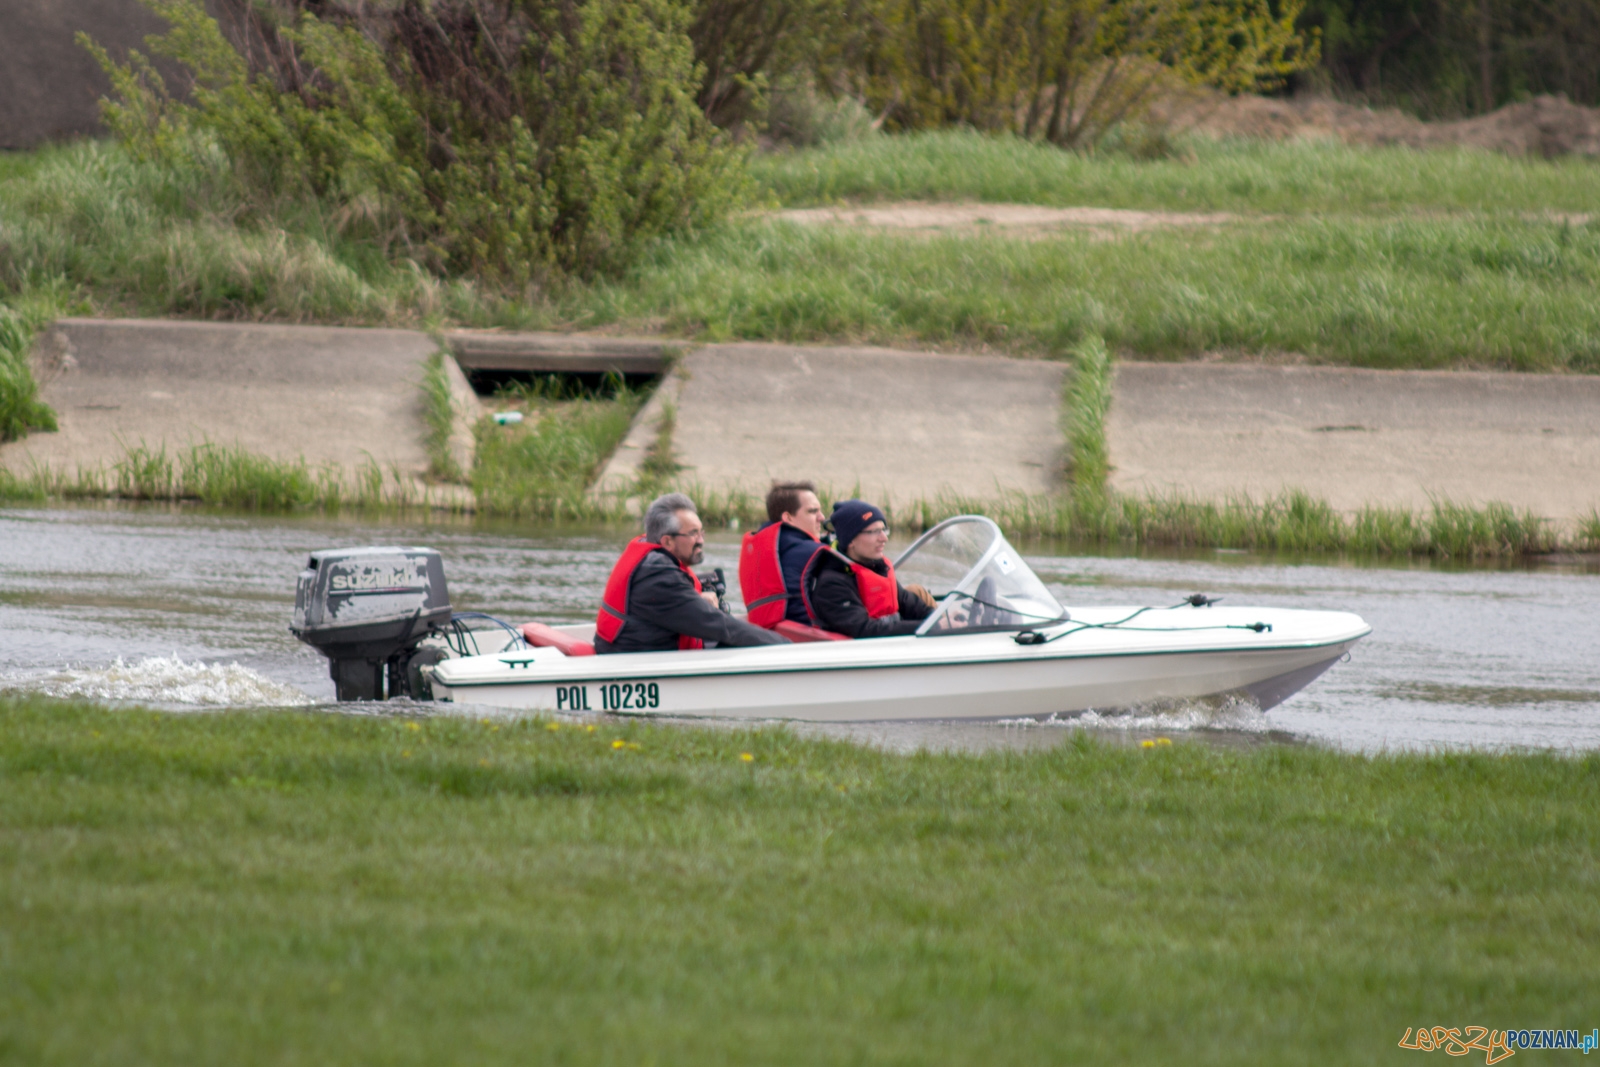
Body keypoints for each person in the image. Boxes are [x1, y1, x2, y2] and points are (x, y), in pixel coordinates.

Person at [595, 493, 790, 654]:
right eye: (693, 534)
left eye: (701, 532)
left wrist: (695, 597)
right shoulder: (658, 576)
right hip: (637, 666)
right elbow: (717, 625)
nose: (701, 541)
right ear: (667, 541)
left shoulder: (651, 557)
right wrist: (786, 647)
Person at [802, 500, 936, 638]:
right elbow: (865, 630)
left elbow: (916, 608)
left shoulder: (877, 568)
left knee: (919, 593)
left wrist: (940, 620)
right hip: (865, 654)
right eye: (874, 532)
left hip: (890, 647)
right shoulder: (831, 585)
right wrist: (931, 626)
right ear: (850, 540)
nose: (884, 538)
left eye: (884, 530)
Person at [738, 480, 827, 628]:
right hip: (809, 637)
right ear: (788, 518)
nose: (822, 517)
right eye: (812, 511)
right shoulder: (814, 552)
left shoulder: (767, 546)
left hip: (771, 630)